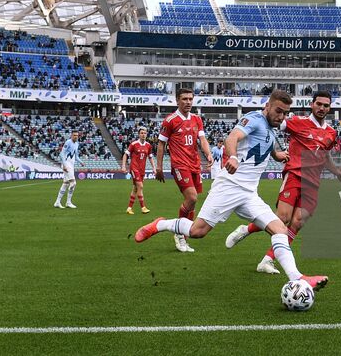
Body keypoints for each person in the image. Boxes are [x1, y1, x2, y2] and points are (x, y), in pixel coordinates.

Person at [134, 89, 328, 292]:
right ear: (267, 106)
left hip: (249, 194)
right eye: (278, 111)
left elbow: (263, 142)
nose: (282, 117)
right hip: (229, 187)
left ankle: (298, 278)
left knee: (280, 229)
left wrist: (276, 154)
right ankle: (160, 224)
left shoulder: (271, 128)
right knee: (197, 231)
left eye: (285, 113)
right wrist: (233, 156)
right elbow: (232, 138)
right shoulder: (253, 118)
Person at [225, 90, 341, 274]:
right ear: (312, 104)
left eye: (326, 105)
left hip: (313, 183)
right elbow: (269, 126)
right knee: (282, 218)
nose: (322, 108)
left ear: (330, 108)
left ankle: (267, 260)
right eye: (319, 104)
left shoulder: (331, 132)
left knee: (297, 223)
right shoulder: (297, 122)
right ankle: (247, 229)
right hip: (295, 174)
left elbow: (326, 156)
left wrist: (337, 172)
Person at [156, 89, 214, 253]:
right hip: (180, 165)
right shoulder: (170, 120)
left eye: (190, 99)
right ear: (177, 101)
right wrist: (159, 167)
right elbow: (161, 144)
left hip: (195, 164)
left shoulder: (196, 119)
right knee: (192, 197)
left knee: (193, 202)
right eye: (184, 99)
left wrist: (208, 154)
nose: (188, 102)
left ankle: (185, 235)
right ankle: (179, 233)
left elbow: (202, 139)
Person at [120, 127, 153, 215]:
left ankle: (129, 208)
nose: (143, 134)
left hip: (142, 170)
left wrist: (154, 168)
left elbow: (150, 157)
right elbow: (125, 155)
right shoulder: (134, 144)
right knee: (140, 186)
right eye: (141, 133)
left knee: (135, 188)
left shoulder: (148, 145)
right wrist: (123, 166)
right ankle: (143, 207)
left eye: (145, 133)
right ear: (139, 134)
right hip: (134, 168)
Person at [54, 130, 83, 209]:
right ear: (71, 135)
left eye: (77, 135)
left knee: (66, 183)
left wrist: (81, 162)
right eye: (74, 135)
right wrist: (64, 165)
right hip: (66, 164)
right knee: (73, 183)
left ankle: (57, 202)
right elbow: (62, 153)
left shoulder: (77, 144)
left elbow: (76, 156)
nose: (76, 137)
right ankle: (68, 202)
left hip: (71, 165)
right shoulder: (68, 142)